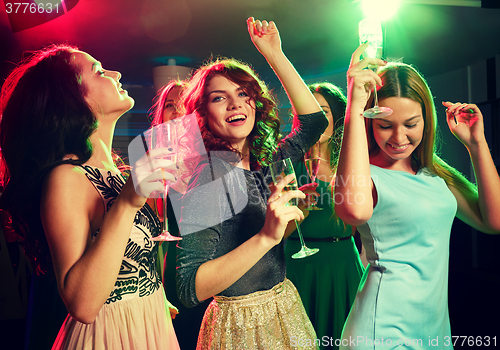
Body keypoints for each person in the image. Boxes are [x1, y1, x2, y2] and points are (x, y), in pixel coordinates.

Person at [0, 44, 180, 349]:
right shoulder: (65, 178)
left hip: (150, 325)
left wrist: (152, 295)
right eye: (99, 70)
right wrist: (127, 202)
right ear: (71, 98)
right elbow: (82, 305)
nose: (116, 73)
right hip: (110, 336)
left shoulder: (119, 173)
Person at [335, 43, 500, 349]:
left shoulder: (434, 174)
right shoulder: (364, 174)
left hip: (433, 330)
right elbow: (355, 213)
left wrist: (476, 144)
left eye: (411, 124)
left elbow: (494, 221)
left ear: (426, 119)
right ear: (370, 121)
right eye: (385, 126)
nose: (399, 138)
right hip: (382, 329)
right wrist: (354, 111)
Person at [176, 18, 328, 349]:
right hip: (240, 326)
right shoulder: (208, 179)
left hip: (284, 305)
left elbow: (314, 123)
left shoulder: (265, 160)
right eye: (219, 98)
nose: (235, 104)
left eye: (242, 93)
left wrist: (275, 54)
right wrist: (266, 237)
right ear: (202, 114)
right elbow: (189, 288)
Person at [285, 82, 365, 349]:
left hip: (343, 263)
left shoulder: (352, 159)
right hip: (298, 265)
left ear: (337, 118)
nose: (319, 120)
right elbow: (274, 234)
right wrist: (301, 211)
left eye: (325, 112)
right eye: (312, 113)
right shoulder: (288, 163)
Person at [148, 79, 211, 350]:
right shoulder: (153, 162)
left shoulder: (213, 157)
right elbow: (151, 230)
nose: (176, 112)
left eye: (184, 105)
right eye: (170, 106)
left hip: (213, 265)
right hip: (174, 266)